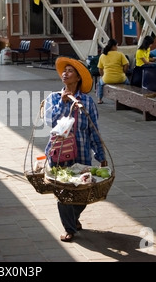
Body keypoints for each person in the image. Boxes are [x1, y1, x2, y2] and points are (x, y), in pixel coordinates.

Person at [44, 57, 107, 243]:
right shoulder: (53, 98)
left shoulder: (87, 102)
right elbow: (50, 122)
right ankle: (69, 228)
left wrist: (101, 155)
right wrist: (62, 104)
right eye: (65, 71)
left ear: (78, 78)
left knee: (83, 192)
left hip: (82, 154)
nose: (65, 73)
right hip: (59, 154)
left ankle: (73, 218)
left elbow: (93, 129)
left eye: (70, 71)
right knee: (63, 191)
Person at [96, 38, 129, 104]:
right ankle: (127, 98)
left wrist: (103, 76)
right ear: (113, 46)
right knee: (128, 83)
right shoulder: (120, 54)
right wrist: (124, 71)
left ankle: (99, 99)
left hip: (107, 79)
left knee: (99, 83)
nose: (117, 47)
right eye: (117, 45)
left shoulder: (102, 56)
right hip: (120, 78)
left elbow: (100, 69)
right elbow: (127, 64)